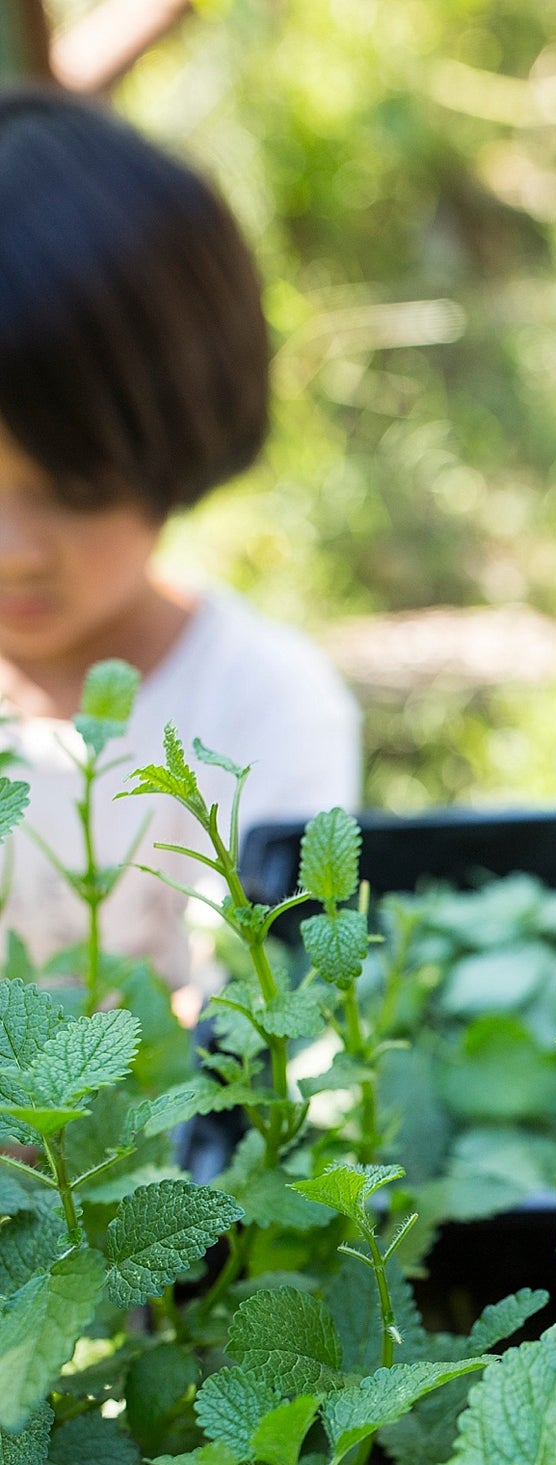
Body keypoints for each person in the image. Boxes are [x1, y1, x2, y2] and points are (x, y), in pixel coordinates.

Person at [0, 87, 360, 993]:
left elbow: (265, 1018)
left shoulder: (262, 708)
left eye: (74, 488)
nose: (13, 549)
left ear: (181, 431)